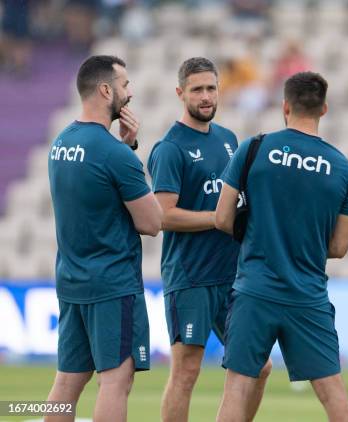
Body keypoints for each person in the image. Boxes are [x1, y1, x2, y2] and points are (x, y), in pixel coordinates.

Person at [215, 71, 348, 422]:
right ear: (324, 108)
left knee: (237, 388)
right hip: (307, 295)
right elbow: (340, 246)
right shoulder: (342, 168)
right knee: (333, 394)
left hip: (255, 290)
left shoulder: (254, 148)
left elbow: (221, 218)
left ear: (285, 106)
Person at [146, 57, 271, 422]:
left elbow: (238, 203)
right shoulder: (170, 148)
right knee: (186, 372)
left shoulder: (229, 140)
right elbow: (163, 215)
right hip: (191, 277)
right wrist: (219, 220)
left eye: (211, 88)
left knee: (258, 367)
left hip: (233, 276)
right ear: (180, 93)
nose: (205, 96)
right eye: (197, 89)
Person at [45, 55, 162, 422]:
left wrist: (123, 148)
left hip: (71, 280)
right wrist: (130, 153)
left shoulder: (61, 143)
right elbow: (151, 222)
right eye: (125, 85)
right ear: (106, 89)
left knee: (68, 381)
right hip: (112, 284)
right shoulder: (114, 154)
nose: (130, 93)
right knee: (115, 380)